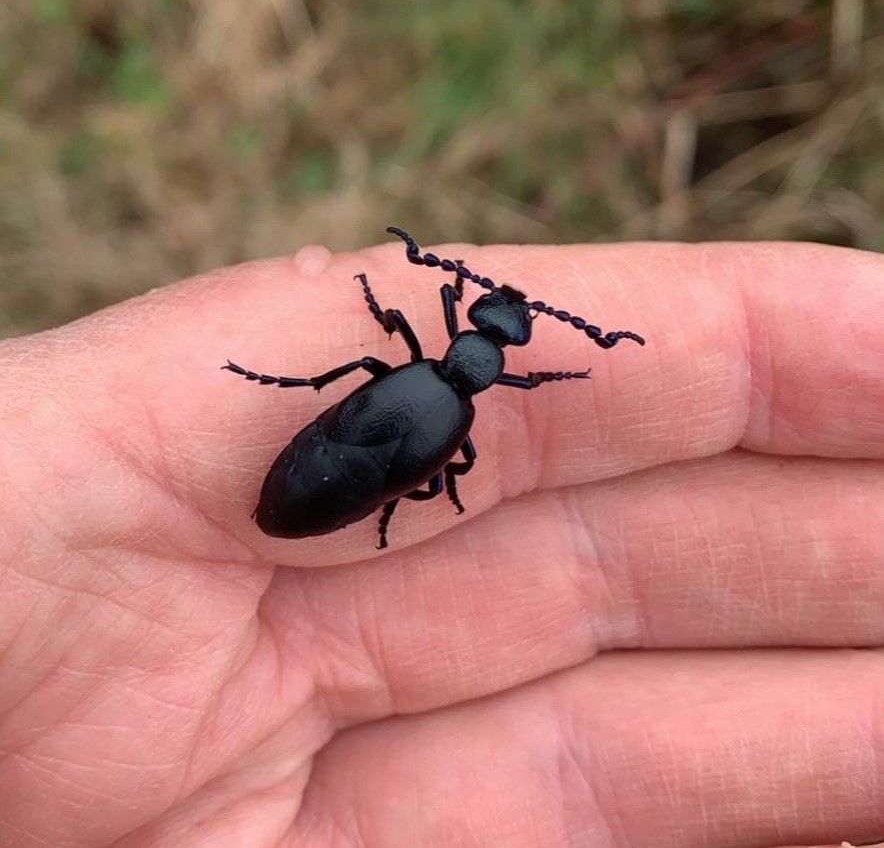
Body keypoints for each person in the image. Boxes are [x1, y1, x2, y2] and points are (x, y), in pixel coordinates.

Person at [0, 236, 882, 848]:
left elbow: (381, 380)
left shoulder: (431, 377)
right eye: (503, 323)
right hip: (330, 482)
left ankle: (345, 457)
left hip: (308, 473)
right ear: (501, 358)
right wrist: (400, 500)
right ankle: (370, 492)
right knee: (397, 439)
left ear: (472, 335)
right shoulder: (457, 416)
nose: (500, 321)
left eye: (499, 321)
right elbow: (438, 466)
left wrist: (392, 308)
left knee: (360, 387)